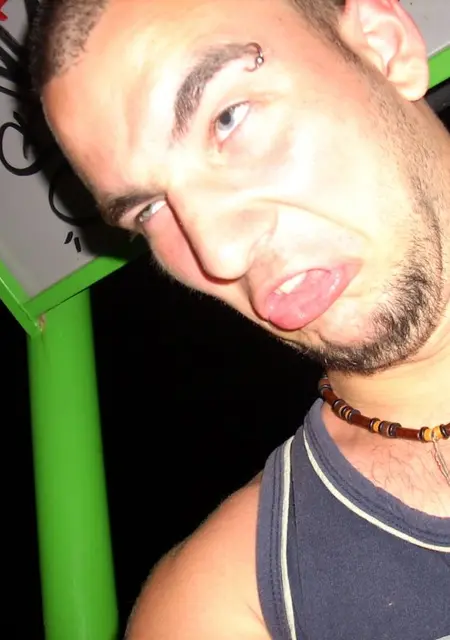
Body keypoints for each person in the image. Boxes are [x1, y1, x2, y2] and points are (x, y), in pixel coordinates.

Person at [29, 0, 450, 638]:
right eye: (149, 209)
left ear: (384, 45)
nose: (220, 253)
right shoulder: (223, 609)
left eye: (227, 118)